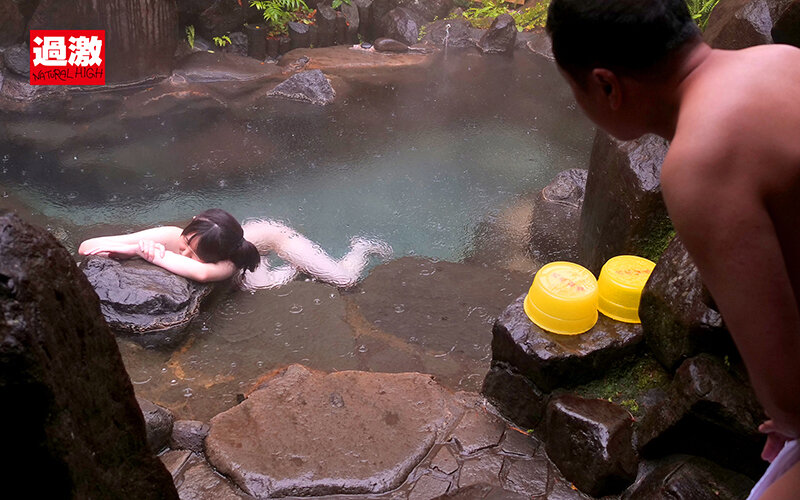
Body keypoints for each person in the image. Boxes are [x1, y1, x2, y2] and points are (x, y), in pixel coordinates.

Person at [545, 1, 800, 498]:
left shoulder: (701, 162)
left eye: (573, 89)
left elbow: (790, 397)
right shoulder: (784, 60)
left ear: (606, 85)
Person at [78, 208, 392, 288]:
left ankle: (360, 247)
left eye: (192, 252)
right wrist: (129, 245)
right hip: (246, 241)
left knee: (343, 281)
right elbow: (86, 247)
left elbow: (200, 274)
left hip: (276, 238)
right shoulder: (175, 234)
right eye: (186, 245)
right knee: (254, 284)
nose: (183, 251)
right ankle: (285, 268)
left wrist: (146, 254)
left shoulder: (225, 264)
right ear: (192, 224)